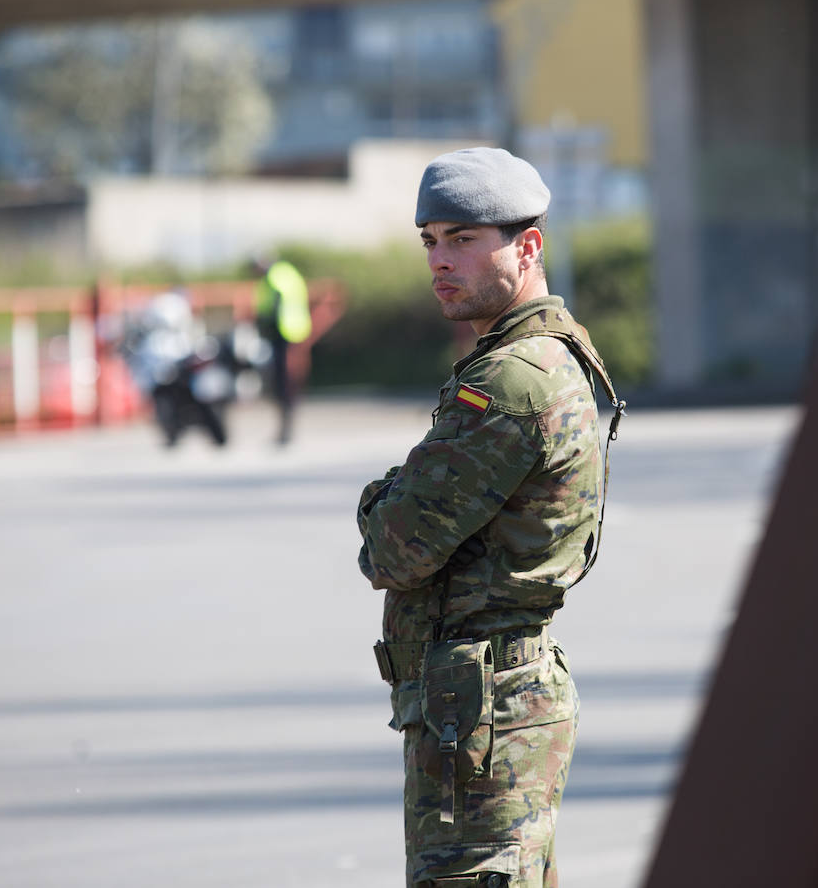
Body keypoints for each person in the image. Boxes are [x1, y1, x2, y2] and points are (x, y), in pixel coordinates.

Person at [356, 147, 624, 888]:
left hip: (482, 717)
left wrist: (379, 498)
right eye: (431, 241)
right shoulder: (533, 356)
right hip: (493, 700)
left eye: (464, 239)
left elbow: (394, 550)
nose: (440, 260)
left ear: (528, 246)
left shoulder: (511, 380)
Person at [252, 255, 311, 445]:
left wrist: (263, 325)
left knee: (283, 383)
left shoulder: (275, 276)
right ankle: (286, 429)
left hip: (284, 334)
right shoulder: (288, 272)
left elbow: (274, 304)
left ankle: (286, 430)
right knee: (289, 382)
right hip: (296, 331)